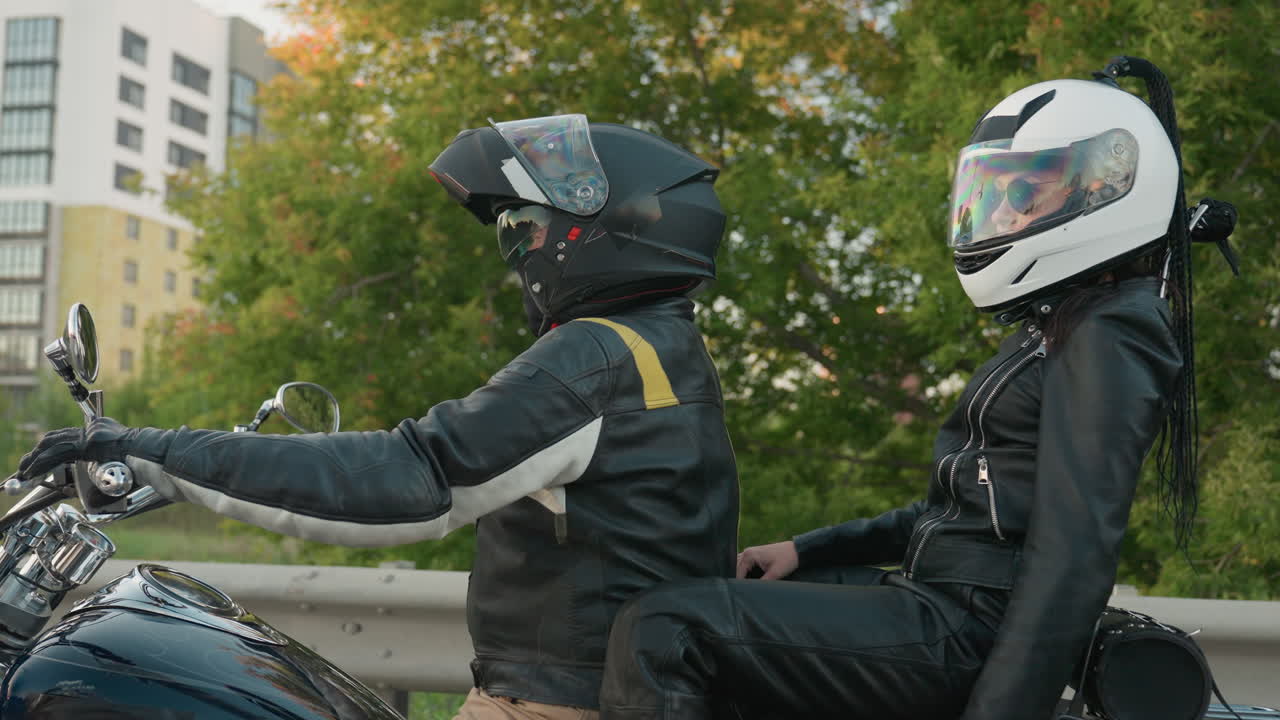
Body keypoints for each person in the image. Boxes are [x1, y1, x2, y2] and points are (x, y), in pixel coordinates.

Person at [17, 114, 740, 720]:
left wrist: (156, 454)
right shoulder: (664, 350)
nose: (517, 249)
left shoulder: (596, 359)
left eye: (527, 225)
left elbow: (410, 483)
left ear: (601, 231)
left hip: (559, 707)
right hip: (619, 688)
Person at [598, 58, 1238, 720]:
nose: (1003, 211)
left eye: (1029, 192)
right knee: (722, 595)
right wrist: (806, 550)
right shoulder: (1061, 321)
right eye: (998, 193)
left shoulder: (1113, 332)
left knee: (665, 629)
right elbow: (962, 509)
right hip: (943, 603)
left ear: (1104, 189)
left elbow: (1073, 556)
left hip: (969, 629)